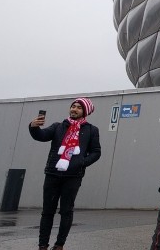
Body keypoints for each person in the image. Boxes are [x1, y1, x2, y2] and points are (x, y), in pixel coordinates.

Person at [29, 97, 101, 250]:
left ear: (85, 111)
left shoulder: (91, 130)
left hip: (73, 177)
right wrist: (33, 127)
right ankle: (42, 245)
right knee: (47, 211)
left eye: (78, 107)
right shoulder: (58, 126)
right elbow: (41, 136)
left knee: (66, 211)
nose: (74, 109)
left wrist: (81, 162)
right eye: (73, 106)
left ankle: (59, 244)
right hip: (52, 174)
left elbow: (96, 152)